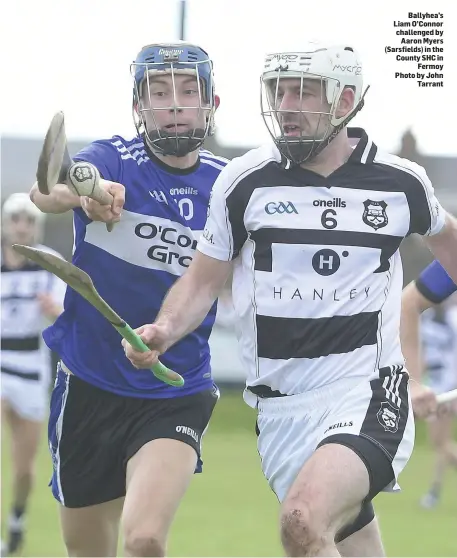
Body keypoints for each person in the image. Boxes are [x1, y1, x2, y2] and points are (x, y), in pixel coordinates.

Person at [123, 42, 457, 557]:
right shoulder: (244, 182)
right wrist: (165, 329)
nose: (286, 106)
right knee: (340, 540)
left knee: (303, 520)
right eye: (279, 92)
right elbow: (201, 282)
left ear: (345, 100)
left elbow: (451, 246)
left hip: (365, 389)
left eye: (303, 93)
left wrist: (413, 377)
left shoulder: (399, 183)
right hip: (280, 410)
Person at [29, 42, 226, 557]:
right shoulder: (113, 157)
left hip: (174, 388)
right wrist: (86, 197)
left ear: (212, 103)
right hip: (90, 382)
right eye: (159, 93)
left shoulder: (229, 186)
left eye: (189, 91)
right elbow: (46, 191)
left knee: (143, 539)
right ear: (140, 106)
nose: (175, 103)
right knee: (89, 550)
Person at [1, 193, 65, 555]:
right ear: (6, 224)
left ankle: (17, 520)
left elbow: (69, 315)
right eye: (15, 219)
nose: (21, 226)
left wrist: (55, 309)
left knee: (24, 468)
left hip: (32, 366)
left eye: (28, 220)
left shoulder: (48, 264)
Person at [401, 261, 457, 509]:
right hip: (437, 385)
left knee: (441, 443)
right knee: (441, 444)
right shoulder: (426, 319)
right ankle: (434, 492)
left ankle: (433, 493)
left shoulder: (452, 320)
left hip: (446, 388)